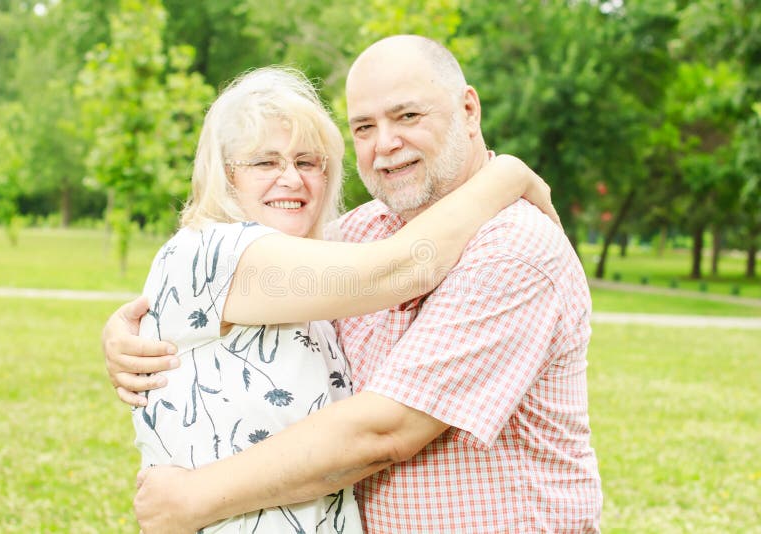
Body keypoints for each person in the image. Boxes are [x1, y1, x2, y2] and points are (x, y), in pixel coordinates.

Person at [105, 36, 601, 533]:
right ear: (226, 174)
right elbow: (380, 267)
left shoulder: (513, 248)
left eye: (407, 116)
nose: (385, 143)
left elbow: (383, 430)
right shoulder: (364, 235)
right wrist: (131, 330)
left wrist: (195, 497)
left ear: (469, 111)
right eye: (365, 126)